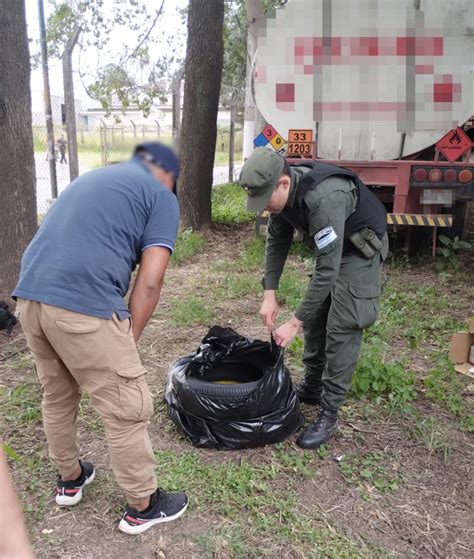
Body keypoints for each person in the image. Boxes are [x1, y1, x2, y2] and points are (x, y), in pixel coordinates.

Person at [12, 142, 188, 535]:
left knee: (57, 395)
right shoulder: (161, 195)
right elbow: (151, 279)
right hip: (82, 304)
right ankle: (143, 506)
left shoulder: (93, 178)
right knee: (127, 408)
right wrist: (129, 337)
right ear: (170, 176)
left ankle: (70, 479)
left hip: (30, 299)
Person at [239, 147, 388, 449]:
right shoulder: (285, 197)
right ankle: (313, 385)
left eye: (266, 198)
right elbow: (277, 239)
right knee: (318, 319)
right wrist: (270, 294)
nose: (264, 207)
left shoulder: (325, 198)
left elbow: (328, 269)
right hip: (335, 250)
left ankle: (329, 412)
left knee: (342, 325)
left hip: (359, 251)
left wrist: (293, 323)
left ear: (283, 183)